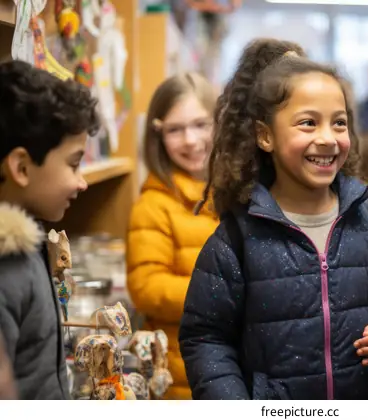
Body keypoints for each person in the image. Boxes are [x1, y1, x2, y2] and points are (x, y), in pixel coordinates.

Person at [179, 52, 368, 400]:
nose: (328, 138)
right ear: (265, 136)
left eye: (339, 123)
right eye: (308, 123)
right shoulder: (237, 237)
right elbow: (206, 338)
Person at [0, 60, 99, 399]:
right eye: (73, 164)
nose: (82, 182)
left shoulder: (27, 245)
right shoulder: (7, 267)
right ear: (22, 167)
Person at [126, 72, 219, 399]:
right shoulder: (153, 204)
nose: (191, 140)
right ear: (158, 135)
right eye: (175, 130)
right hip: (180, 374)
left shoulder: (236, 194)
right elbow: (147, 288)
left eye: (200, 124)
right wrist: (227, 292)